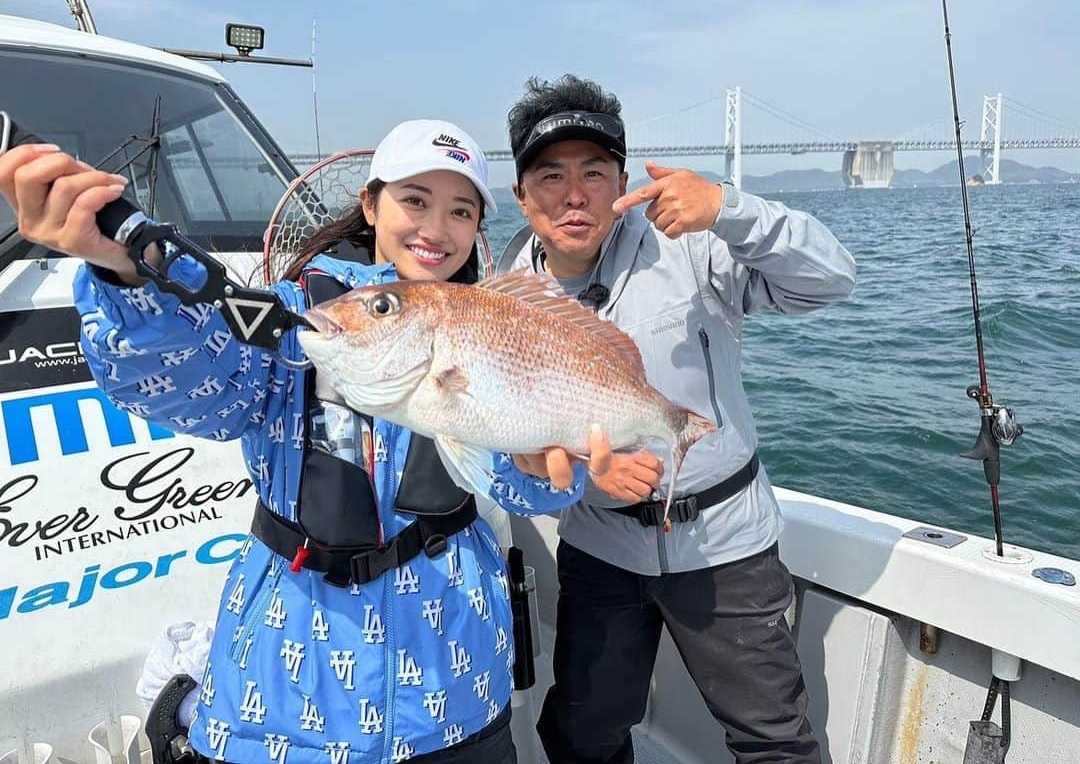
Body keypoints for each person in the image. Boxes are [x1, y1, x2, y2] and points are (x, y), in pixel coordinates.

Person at [0, 119, 611, 764]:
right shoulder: (297, 321)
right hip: (295, 691)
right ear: (371, 204)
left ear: (477, 228)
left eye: (460, 210)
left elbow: (519, 490)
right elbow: (188, 383)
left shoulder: (490, 332)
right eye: (414, 200)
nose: (436, 228)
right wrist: (124, 269)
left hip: (456, 675)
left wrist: (542, 470)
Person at [499, 75, 857, 764]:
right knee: (581, 738)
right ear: (520, 194)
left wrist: (727, 208)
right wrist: (565, 465)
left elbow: (831, 278)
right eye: (550, 175)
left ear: (623, 180)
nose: (574, 194)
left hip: (725, 547)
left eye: (594, 172)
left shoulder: (691, 245)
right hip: (600, 547)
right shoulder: (505, 293)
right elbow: (515, 430)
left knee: (775, 743)